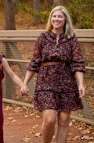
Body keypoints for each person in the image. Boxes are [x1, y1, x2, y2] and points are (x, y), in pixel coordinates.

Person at [23, 5, 86, 143]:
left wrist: (81, 84)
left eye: (60, 16)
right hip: (46, 81)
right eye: (54, 16)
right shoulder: (43, 37)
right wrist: (25, 83)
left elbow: (78, 63)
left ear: (65, 19)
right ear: (50, 18)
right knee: (50, 120)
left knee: (64, 120)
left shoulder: (71, 39)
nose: (56, 19)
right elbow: (35, 61)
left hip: (66, 83)